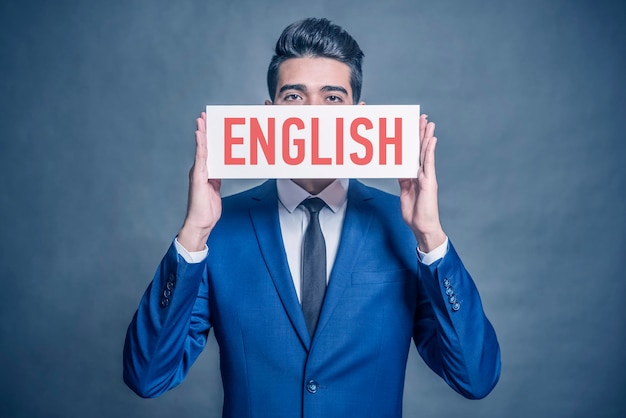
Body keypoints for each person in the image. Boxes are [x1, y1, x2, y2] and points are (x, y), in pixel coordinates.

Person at [123, 17, 500, 417]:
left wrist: (431, 239)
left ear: (361, 117)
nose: (312, 117)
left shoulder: (407, 230)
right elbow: (147, 377)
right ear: (269, 114)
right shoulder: (217, 231)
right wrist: (193, 235)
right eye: (294, 98)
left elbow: (475, 379)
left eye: (333, 99)